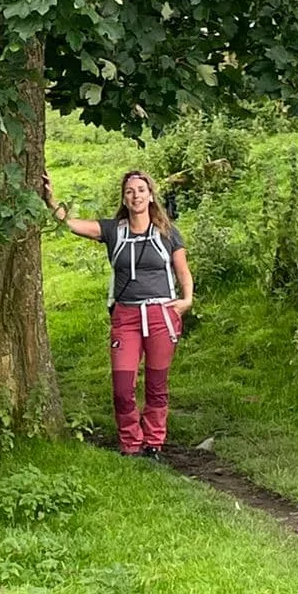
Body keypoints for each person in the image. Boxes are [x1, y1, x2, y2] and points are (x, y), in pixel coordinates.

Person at [39, 169, 193, 459]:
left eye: (141, 190)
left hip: (161, 314)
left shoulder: (167, 233)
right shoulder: (114, 230)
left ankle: (153, 443)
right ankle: (131, 443)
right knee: (123, 386)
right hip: (126, 316)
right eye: (130, 191)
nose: (136, 196)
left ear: (150, 196)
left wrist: (186, 300)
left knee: (156, 384)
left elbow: (182, 270)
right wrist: (51, 199)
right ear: (124, 197)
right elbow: (69, 223)